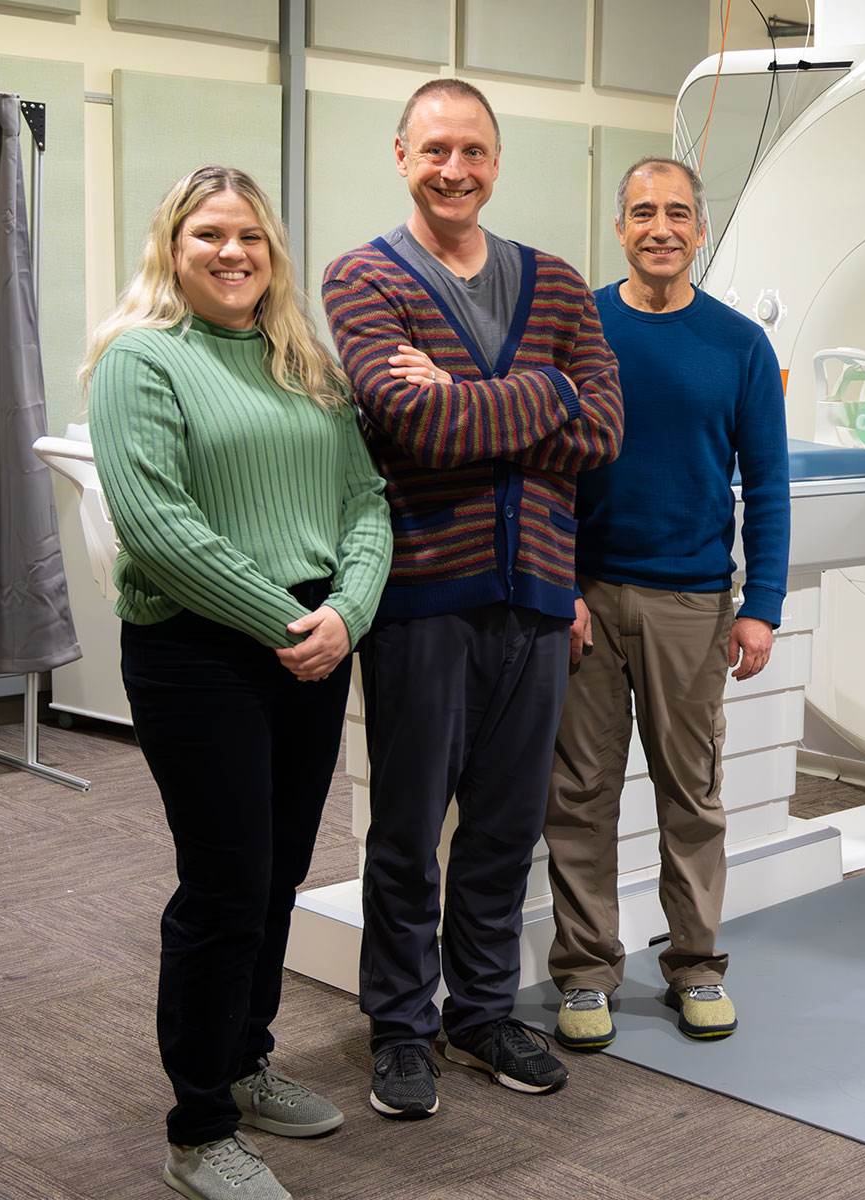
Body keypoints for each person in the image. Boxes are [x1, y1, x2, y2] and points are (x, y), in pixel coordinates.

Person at [84, 165, 392, 1200]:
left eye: (250, 236)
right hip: (199, 650)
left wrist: (348, 611)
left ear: (273, 251)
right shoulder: (140, 359)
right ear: (172, 248)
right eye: (209, 234)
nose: (232, 253)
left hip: (311, 642)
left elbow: (365, 501)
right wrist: (288, 624)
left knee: (277, 875)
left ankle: (246, 1062)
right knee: (224, 886)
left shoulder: (305, 362)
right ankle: (198, 1127)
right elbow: (157, 528)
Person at [320, 78, 623, 1118]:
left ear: (497, 161)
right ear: (402, 154)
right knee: (408, 832)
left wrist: (471, 398)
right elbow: (416, 424)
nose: (456, 170)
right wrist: (549, 389)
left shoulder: (559, 285)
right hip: (421, 598)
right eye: (437, 150)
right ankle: (401, 1028)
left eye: (475, 152)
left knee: (504, 827)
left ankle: (483, 1013)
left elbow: (604, 433)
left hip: (535, 598)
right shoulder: (363, 278)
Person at [542, 157, 789, 1052]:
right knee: (579, 794)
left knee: (693, 795)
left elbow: (767, 484)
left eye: (677, 213)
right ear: (619, 229)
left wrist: (762, 603)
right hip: (586, 600)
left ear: (699, 229)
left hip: (693, 600)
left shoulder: (738, 345)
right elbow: (544, 471)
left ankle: (695, 964)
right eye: (643, 212)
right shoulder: (578, 330)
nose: (661, 229)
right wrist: (557, 587)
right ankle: (585, 972)